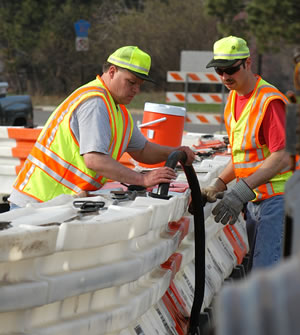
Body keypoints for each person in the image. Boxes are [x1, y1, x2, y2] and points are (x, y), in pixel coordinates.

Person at [9, 46, 195, 208]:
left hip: (55, 203)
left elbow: (143, 149)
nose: (136, 90)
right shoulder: (95, 102)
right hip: (37, 202)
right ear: (112, 71)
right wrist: (142, 179)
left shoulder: (118, 109)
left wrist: (174, 152)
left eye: (140, 85)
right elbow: (95, 160)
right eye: (131, 82)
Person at [202, 36, 292, 269]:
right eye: (219, 71)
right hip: (256, 201)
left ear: (248, 63)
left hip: (279, 201)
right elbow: (243, 157)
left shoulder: (269, 101)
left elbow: (281, 156)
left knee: (266, 273)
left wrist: (240, 191)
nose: (225, 77)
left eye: (231, 69)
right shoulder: (233, 99)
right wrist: (219, 185)